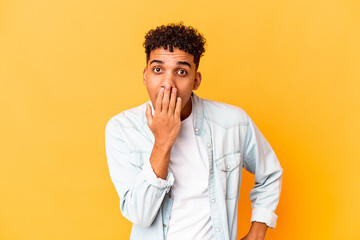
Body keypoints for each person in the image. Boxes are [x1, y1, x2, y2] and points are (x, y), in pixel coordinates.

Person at [105, 23, 283, 240]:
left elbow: (270, 173)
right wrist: (163, 142)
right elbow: (140, 215)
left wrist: (257, 232)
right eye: (158, 70)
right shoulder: (122, 129)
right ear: (145, 75)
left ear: (196, 80)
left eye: (181, 72)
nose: (167, 84)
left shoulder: (233, 123)